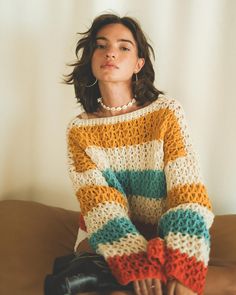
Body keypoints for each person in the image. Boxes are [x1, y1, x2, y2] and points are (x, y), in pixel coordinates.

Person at [64, 13, 214, 295]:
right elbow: (101, 208)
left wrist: (182, 262)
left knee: (182, 288)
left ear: (138, 64)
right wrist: (133, 258)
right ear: (91, 58)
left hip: (165, 236)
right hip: (107, 238)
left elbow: (189, 193)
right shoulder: (79, 131)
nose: (110, 52)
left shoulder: (166, 113)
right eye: (101, 45)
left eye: (124, 47)